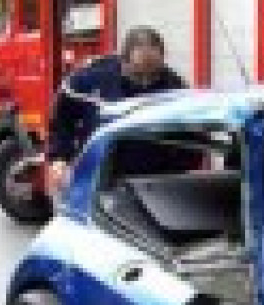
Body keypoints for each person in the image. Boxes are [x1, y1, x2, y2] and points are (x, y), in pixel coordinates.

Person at [44, 25, 187, 191]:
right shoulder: (89, 80)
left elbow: (189, 137)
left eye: (154, 75)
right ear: (123, 62)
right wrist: (60, 159)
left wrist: (177, 173)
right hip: (97, 177)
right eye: (138, 75)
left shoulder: (175, 88)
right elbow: (62, 120)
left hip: (154, 182)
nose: (146, 83)